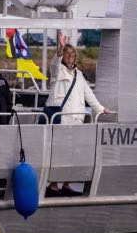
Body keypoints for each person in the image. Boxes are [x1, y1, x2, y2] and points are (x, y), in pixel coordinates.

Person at [46, 32, 110, 197]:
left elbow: (89, 95)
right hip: (61, 119)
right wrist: (60, 48)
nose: (70, 57)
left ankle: (66, 183)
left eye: (72, 55)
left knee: (72, 153)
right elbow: (55, 62)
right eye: (67, 54)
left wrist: (100, 109)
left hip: (76, 120)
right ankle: (53, 185)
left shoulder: (79, 75)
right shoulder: (57, 70)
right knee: (58, 152)